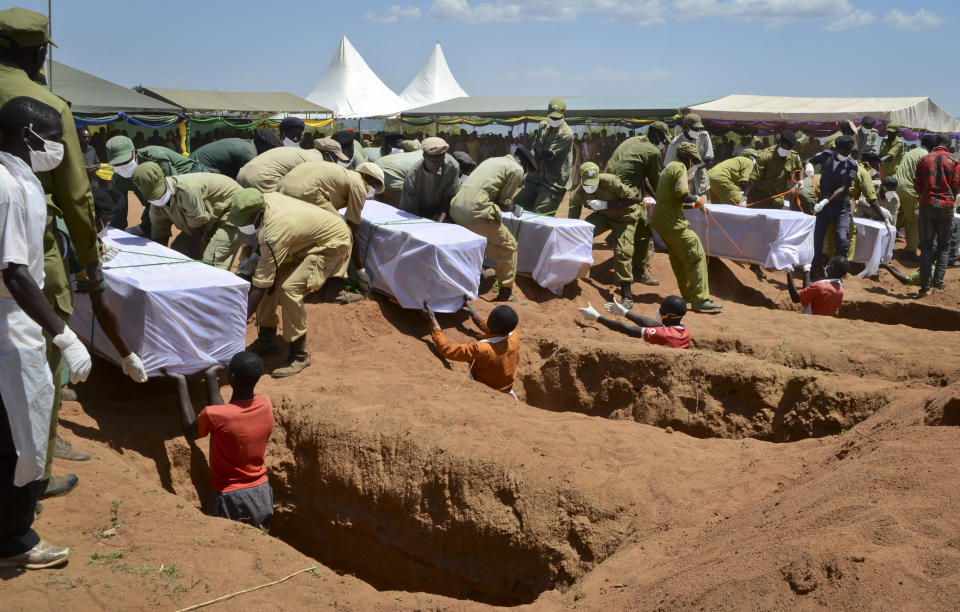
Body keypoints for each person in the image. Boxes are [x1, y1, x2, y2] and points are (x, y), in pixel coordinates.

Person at [0, 8, 102, 498]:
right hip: (30, 250)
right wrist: (90, 259)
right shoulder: (46, 104)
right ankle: (32, 479)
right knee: (38, 361)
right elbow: (78, 194)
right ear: (36, 51)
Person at [0, 95, 93, 569]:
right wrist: (64, 333)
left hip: (17, 321)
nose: (58, 149)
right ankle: (14, 540)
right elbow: (14, 273)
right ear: (27, 136)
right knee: (21, 431)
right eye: (54, 140)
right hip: (11, 325)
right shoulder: (9, 188)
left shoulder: (22, 179)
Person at [242, 193, 354, 377]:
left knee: (289, 288)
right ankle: (267, 340)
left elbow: (260, 284)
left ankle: (300, 355)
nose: (242, 224)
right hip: (304, 241)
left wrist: (240, 319)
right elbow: (264, 278)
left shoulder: (274, 232)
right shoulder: (260, 200)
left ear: (256, 214)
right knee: (271, 282)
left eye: (244, 220)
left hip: (331, 242)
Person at [164, 353, 274, 529]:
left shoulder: (214, 415)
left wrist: (180, 383)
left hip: (229, 497)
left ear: (231, 377)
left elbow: (191, 431)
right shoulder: (265, 403)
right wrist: (210, 378)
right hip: (261, 492)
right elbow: (225, 414)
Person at [449, 146, 536, 303]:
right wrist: (514, 208)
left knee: (477, 243)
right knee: (509, 247)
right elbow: (503, 203)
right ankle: (505, 293)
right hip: (476, 212)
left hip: (456, 208)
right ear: (526, 166)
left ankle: (475, 276)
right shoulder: (516, 169)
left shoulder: (492, 160)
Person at [650, 141, 722, 313]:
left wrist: (693, 204)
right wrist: (696, 199)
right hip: (672, 223)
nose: (695, 167)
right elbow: (681, 193)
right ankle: (700, 299)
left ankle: (688, 295)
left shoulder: (669, 167)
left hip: (661, 222)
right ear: (690, 160)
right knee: (696, 252)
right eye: (695, 163)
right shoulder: (681, 168)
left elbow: (671, 198)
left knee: (679, 258)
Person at [603, 121, 671, 286]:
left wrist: (656, 197)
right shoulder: (652, 151)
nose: (665, 144)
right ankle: (637, 272)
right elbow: (655, 181)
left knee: (621, 222)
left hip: (611, 186)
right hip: (626, 193)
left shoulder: (636, 143)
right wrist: (666, 201)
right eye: (664, 140)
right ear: (656, 136)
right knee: (643, 228)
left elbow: (644, 178)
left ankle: (613, 238)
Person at [567, 162, 641, 307]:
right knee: (583, 233)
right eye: (586, 184)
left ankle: (626, 295)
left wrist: (607, 204)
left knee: (622, 252)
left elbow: (634, 199)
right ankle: (569, 273)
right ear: (581, 180)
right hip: (603, 217)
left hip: (625, 218)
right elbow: (573, 224)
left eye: (593, 183)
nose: (590, 187)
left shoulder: (610, 181)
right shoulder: (578, 194)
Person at [132, 163, 243, 257]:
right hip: (205, 219)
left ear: (164, 178)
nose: (158, 199)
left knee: (212, 259)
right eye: (153, 196)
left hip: (231, 208)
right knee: (177, 253)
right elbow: (160, 235)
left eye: (158, 193)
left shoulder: (187, 191)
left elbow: (199, 233)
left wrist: (197, 260)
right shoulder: (155, 205)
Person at [105, 134, 208, 231]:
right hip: (161, 197)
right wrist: (116, 231)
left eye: (126, 161)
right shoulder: (118, 176)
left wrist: (145, 226)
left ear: (135, 153)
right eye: (117, 164)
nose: (122, 167)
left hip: (194, 185)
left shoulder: (156, 159)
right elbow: (117, 207)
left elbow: (172, 193)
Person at [424, 299, 520, 395]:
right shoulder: (514, 336)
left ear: (493, 322)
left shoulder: (482, 349)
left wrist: (433, 321)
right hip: (508, 392)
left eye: (490, 317)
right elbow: (491, 328)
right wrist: (472, 311)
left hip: (488, 394)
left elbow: (448, 350)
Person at [808, 136, 860, 278]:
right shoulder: (826, 156)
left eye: (849, 152)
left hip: (840, 206)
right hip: (823, 204)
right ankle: (815, 271)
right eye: (844, 151)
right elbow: (809, 160)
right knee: (818, 240)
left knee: (842, 239)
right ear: (837, 149)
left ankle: (838, 273)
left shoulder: (853, 165)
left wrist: (826, 201)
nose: (846, 154)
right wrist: (808, 166)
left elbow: (844, 188)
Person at [914, 134, 959, 297]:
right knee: (944, 247)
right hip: (945, 206)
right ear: (947, 145)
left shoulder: (924, 160)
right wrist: (949, 197)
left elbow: (917, 187)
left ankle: (924, 288)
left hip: (927, 204)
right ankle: (938, 287)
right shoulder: (954, 160)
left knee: (926, 247)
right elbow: (955, 185)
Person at [513, 98, 573, 215]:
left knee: (539, 217)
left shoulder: (567, 134)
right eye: (552, 117)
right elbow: (536, 148)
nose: (554, 120)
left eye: (557, 118)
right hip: (536, 178)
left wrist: (525, 163)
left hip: (552, 184)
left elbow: (546, 154)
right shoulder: (542, 125)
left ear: (563, 115)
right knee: (515, 207)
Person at [576, 295, 690, 349]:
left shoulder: (664, 335)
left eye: (662, 309)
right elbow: (656, 326)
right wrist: (625, 312)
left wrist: (598, 317)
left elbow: (626, 329)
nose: (659, 311)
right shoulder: (683, 329)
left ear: (669, 315)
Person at [398, 137, 461, 221]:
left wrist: (440, 220)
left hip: (442, 208)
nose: (437, 165)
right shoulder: (413, 177)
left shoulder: (452, 166)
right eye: (433, 162)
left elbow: (448, 196)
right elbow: (409, 211)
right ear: (424, 156)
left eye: (441, 160)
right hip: (419, 212)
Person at [894, 134, 935, 260]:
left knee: (898, 216)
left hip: (895, 185)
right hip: (909, 188)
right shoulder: (926, 156)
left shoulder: (912, 151)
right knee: (914, 221)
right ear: (932, 147)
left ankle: (886, 244)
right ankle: (911, 250)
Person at [742, 131, 802, 209]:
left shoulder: (794, 157)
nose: (785, 150)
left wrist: (801, 180)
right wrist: (744, 196)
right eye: (783, 147)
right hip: (758, 198)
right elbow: (753, 179)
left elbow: (799, 171)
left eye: (788, 148)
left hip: (776, 200)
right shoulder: (765, 155)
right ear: (779, 143)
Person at [235, 145, 324, 193]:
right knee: (275, 209)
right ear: (327, 155)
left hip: (243, 173)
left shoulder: (304, 152)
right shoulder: (316, 161)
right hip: (261, 178)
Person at [663, 114, 713, 197]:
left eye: (699, 128)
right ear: (686, 127)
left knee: (702, 208)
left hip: (701, 185)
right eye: (694, 128)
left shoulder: (704, 136)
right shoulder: (675, 144)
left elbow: (710, 159)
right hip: (682, 186)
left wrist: (696, 167)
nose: (697, 131)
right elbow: (668, 167)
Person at [189, 137, 259, 180]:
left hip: (196, 163)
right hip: (198, 169)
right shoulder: (249, 153)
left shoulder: (247, 143)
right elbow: (250, 179)